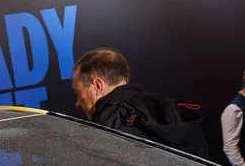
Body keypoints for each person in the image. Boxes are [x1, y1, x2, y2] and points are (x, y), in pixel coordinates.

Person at [71, 48, 209, 158]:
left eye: (78, 92)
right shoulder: (171, 110)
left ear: (97, 85)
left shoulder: (107, 124)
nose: (78, 103)